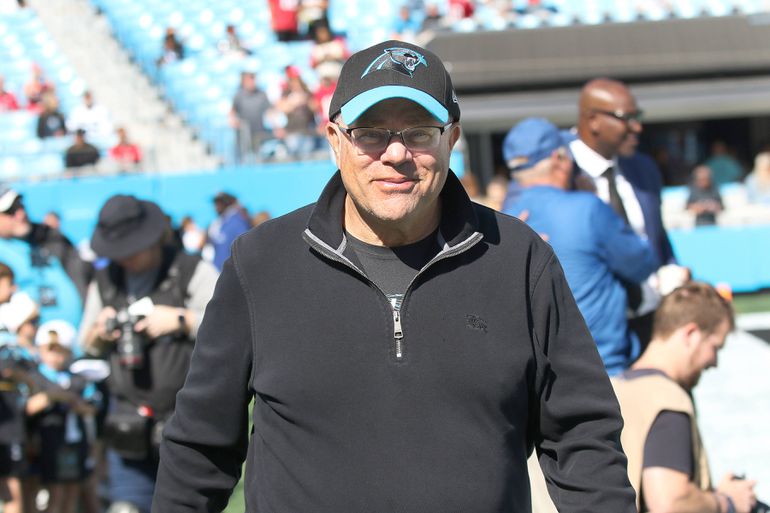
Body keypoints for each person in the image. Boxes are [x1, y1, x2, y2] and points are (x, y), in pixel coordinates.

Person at [152, 40, 636, 513]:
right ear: (335, 141)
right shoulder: (261, 263)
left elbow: (581, 435)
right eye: (370, 133)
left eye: (420, 132)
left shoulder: (518, 258)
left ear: (452, 139)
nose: (396, 154)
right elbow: (199, 449)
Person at [79, 195, 217, 513]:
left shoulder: (189, 269)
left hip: (186, 419)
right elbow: (86, 343)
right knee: (125, 507)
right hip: (127, 423)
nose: (124, 258)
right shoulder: (105, 280)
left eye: (131, 249)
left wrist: (181, 320)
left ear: (152, 238)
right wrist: (100, 331)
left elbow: (230, 324)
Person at [502, 117, 658, 375]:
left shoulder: (502, 222)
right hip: (602, 369)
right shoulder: (588, 209)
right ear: (560, 159)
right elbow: (642, 263)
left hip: (537, 374)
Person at [613, 282, 760, 513]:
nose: (714, 362)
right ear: (691, 334)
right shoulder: (667, 400)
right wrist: (728, 502)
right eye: (715, 347)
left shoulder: (613, 388)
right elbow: (669, 502)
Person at [570, 77, 683, 350]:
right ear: (593, 120)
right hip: (591, 332)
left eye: (638, 116)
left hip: (650, 320)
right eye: (626, 118)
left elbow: (656, 236)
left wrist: (672, 274)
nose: (637, 127)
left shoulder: (643, 168)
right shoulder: (556, 167)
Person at [25, 320, 98, 513]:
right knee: (54, 494)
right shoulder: (35, 377)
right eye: (50, 350)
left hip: (74, 441)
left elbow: (91, 407)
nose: (55, 357)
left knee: (71, 492)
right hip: (48, 441)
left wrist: (76, 404)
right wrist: (56, 396)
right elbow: (29, 407)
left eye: (60, 351)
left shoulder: (77, 378)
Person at [0, 185, 90, 330]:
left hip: (77, 335)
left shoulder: (49, 237)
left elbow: (82, 273)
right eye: (10, 211)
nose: (20, 214)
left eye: (20, 205)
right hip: (27, 340)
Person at [229, 71, 272, 163]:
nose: (252, 82)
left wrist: (276, 125)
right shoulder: (239, 95)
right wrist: (233, 121)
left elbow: (269, 112)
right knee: (244, 159)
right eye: (249, 79)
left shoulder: (261, 94)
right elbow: (232, 112)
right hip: (243, 134)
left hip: (259, 132)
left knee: (259, 159)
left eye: (253, 79)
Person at [206, 192, 251, 272]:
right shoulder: (218, 223)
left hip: (231, 271)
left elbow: (243, 246)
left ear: (226, 203)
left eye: (219, 203)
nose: (216, 207)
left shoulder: (237, 221)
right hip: (218, 270)